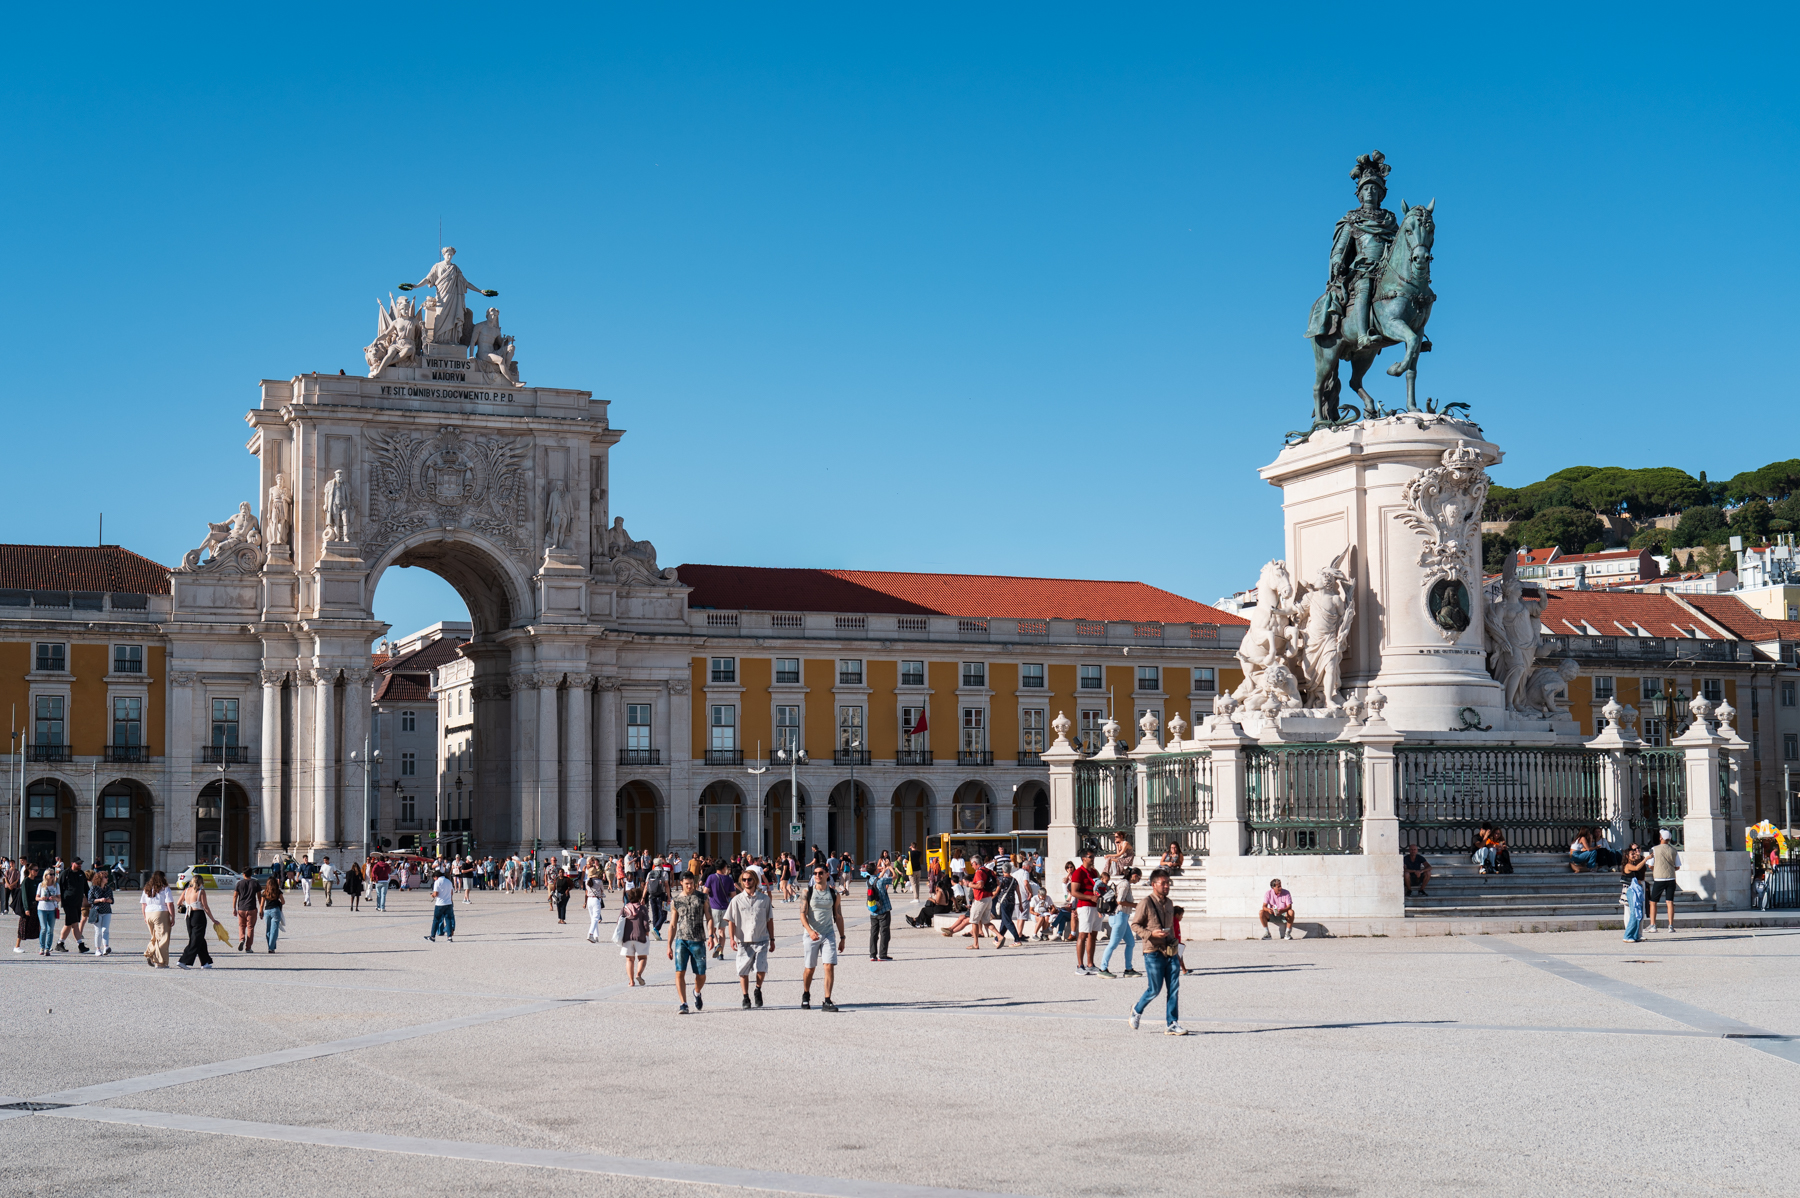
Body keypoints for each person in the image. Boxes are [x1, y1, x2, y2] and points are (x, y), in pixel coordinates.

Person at [1127, 869, 1188, 1035]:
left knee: (1174, 988)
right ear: (1153, 885)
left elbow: (1172, 928)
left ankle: (1172, 1023)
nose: (1167, 886)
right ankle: (1137, 1009)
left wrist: (1176, 947)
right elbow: (1135, 925)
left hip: (1170, 950)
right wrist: (1150, 934)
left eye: (1168, 883)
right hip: (1152, 950)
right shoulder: (1145, 903)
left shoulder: (1169, 903)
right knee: (1154, 989)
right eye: (1163, 883)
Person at [724, 867, 776, 1008]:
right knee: (743, 970)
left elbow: (769, 920)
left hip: (762, 938)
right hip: (743, 940)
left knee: (761, 968)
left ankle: (757, 989)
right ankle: (745, 997)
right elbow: (731, 921)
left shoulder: (764, 899)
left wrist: (772, 939)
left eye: (749, 879)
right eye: (744, 880)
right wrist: (731, 939)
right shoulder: (736, 900)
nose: (746, 882)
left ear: (755, 880)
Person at [666, 872, 714, 1014]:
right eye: (687, 883)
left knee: (701, 974)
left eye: (691, 883)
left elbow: (709, 918)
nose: (689, 886)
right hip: (681, 940)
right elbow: (673, 925)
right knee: (679, 972)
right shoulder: (676, 901)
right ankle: (683, 1003)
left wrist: (711, 935)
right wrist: (668, 945)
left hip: (698, 940)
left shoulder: (702, 897)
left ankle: (697, 991)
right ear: (681, 883)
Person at [800, 865, 844, 1011]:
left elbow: (838, 916)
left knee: (829, 966)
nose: (817, 875)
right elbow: (802, 914)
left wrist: (842, 937)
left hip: (828, 934)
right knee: (810, 969)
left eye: (820, 873)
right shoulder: (807, 892)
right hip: (811, 935)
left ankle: (827, 1000)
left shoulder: (834, 894)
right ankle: (806, 994)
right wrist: (810, 931)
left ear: (827, 875)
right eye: (815, 873)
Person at [1099, 867, 1141, 978]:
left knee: (1131, 942)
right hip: (1120, 916)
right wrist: (1136, 905)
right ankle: (1103, 968)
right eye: (1139, 878)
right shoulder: (1125, 884)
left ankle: (1128, 969)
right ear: (1135, 875)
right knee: (1112, 944)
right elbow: (1120, 900)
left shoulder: (1124, 883)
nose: (1138, 881)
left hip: (1122, 917)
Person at [176, 871, 216, 969]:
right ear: (201, 882)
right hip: (198, 915)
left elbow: (178, 902)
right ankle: (183, 960)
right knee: (195, 940)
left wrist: (187, 904)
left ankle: (205, 962)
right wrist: (213, 919)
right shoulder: (200, 891)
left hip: (188, 916)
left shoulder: (186, 890)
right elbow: (205, 907)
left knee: (199, 939)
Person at [1070, 850, 1102, 975]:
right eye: (1090, 857)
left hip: (1095, 906)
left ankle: (1090, 964)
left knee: (1093, 935)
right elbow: (1074, 892)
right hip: (1085, 906)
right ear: (1083, 858)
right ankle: (1080, 965)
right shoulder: (1078, 872)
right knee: (1082, 935)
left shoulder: (1094, 872)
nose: (1093, 858)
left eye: (1093, 856)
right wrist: (1090, 898)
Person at [1646, 830, 1680, 932]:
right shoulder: (1674, 850)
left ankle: (1653, 925)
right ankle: (1671, 925)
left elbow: (1650, 865)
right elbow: (1677, 866)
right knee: (1670, 901)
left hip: (1659, 878)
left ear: (1661, 838)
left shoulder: (1654, 849)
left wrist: (1656, 870)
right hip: (1671, 878)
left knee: (1653, 902)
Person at [141, 870, 175, 967]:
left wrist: (144, 916)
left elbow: (143, 904)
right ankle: (160, 962)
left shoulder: (147, 888)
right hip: (160, 912)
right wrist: (172, 916)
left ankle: (150, 952)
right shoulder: (165, 888)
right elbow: (169, 903)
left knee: (155, 936)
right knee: (163, 938)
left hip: (148, 913)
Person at [618, 887, 650, 985]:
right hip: (640, 936)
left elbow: (619, 922)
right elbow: (645, 924)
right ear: (640, 897)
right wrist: (647, 932)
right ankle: (638, 974)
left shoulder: (625, 908)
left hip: (627, 937)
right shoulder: (643, 909)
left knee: (629, 959)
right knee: (642, 957)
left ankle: (631, 981)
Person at [704, 860, 736, 959]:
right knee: (722, 931)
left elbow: (705, 891)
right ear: (724, 868)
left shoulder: (711, 877)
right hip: (725, 908)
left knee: (712, 929)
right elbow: (733, 895)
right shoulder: (729, 879)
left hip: (713, 908)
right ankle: (721, 952)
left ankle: (717, 944)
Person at [56, 860, 90, 953]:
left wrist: (90, 898)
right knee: (71, 923)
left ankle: (64, 943)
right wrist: (59, 900)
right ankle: (75, 944)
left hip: (78, 902)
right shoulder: (65, 873)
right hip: (68, 902)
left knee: (72, 923)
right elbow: (59, 886)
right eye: (78, 864)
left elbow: (86, 888)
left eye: (81, 864)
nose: (80, 865)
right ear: (72, 863)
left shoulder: (81, 874)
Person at [864, 859, 893, 961]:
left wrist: (884, 870)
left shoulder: (868, 881)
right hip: (883, 910)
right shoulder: (881, 881)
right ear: (875, 871)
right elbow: (895, 877)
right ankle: (882, 955)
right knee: (884, 932)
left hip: (873, 910)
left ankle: (873, 955)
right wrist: (889, 867)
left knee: (873, 933)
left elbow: (877, 878)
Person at [86, 867, 115, 956]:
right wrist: (100, 900)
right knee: (98, 931)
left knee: (105, 929)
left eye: (107, 877)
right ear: (99, 878)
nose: (107, 878)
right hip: (97, 911)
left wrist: (109, 900)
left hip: (107, 910)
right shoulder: (94, 888)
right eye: (105, 877)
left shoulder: (108, 888)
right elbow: (90, 900)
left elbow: (112, 900)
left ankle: (106, 947)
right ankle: (98, 949)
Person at [35, 866, 60, 956]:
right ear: (46, 875)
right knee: (44, 928)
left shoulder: (56, 885)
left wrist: (55, 898)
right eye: (50, 874)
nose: (52, 876)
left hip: (52, 909)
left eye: (53, 874)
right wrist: (41, 898)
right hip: (42, 908)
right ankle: (42, 947)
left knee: (50, 930)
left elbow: (59, 899)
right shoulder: (41, 885)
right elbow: (36, 898)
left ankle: (47, 948)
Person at [425, 869, 455, 942]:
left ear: (436, 876)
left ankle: (432, 936)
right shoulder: (448, 881)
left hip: (440, 904)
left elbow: (436, 894)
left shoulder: (437, 882)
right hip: (448, 903)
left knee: (436, 920)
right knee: (448, 920)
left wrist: (432, 895)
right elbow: (451, 892)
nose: (434, 879)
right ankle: (449, 937)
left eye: (434, 878)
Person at [232, 870, 260, 951]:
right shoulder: (255, 883)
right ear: (251, 874)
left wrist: (234, 908)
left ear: (244, 874)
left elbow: (235, 896)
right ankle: (248, 948)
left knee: (241, 926)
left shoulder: (239, 883)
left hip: (241, 908)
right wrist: (261, 908)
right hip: (251, 908)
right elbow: (259, 896)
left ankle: (241, 939)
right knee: (250, 928)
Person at [259, 877, 285, 952]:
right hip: (275, 910)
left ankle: (270, 946)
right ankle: (271, 948)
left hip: (267, 911)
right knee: (274, 930)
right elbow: (283, 902)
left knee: (268, 930)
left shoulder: (265, 892)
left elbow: (261, 904)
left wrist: (261, 912)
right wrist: (278, 903)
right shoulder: (278, 891)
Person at [584, 865, 607, 943]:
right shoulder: (599, 881)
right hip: (596, 899)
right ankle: (590, 934)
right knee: (596, 918)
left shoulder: (587, 881)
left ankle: (596, 936)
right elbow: (602, 890)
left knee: (593, 919)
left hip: (589, 900)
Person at [1622, 871, 1646, 942]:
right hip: (1632, 889)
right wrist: (1645, 860)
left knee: (1639, 913)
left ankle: (1636, 935)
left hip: (1638, 887)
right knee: (1634, 913)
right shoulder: (1628, 865)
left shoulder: (1638, 864)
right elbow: (1636, 868)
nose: (1635, 858)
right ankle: (1627, 935)